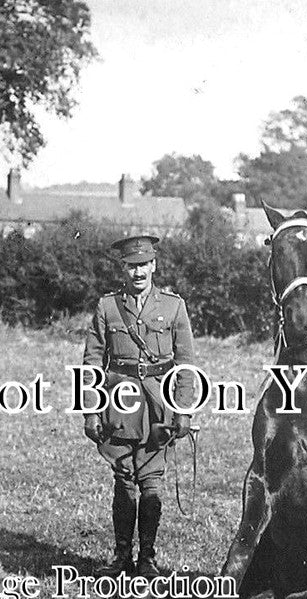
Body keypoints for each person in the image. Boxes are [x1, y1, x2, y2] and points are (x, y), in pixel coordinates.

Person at [82, 234, 197, 578]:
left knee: (151, 480)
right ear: (123, 269)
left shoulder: (173, 306)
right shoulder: (107, 306)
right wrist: (90, 410)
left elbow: (186, 363)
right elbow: (91, 361)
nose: (138, 273)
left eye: (144, 265)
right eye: (131, 266)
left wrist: (184, 410)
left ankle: (147, 558)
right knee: (123, 477)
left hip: (159, 401)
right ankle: (121, 557)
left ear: (154, 266)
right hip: (120, 401)